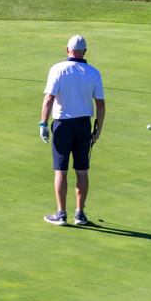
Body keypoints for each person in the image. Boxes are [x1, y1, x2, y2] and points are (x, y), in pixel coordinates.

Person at [40, 34, 105, 225]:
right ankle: (80, 214)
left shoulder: (58, 69)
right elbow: (100, 104)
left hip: (63, 125)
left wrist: (43, 124)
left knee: (60, 170)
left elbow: (49, 99)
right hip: (83, 125)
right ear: (85, 51)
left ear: (67, 49)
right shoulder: (93, 72)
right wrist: (98, 130)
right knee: (82, 170)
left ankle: (61, 214)